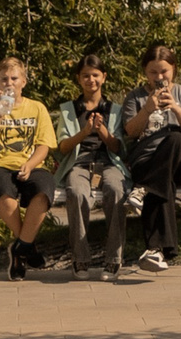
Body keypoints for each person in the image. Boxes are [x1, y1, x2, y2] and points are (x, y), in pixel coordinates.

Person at [0, 55, 57, 279]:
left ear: (23, 82)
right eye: (4, 79)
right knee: (2, 193)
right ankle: (27, 246)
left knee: (44, 190)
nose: (9, 83)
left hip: (31, 165)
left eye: (14, 78)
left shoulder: (37, 108)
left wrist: (30, 164)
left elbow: (44, 146)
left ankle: (20, 248)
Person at [117, 44, 181, 272]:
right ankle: (156, 251)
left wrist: (175, 108)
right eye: (153, 72)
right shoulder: (135, 97)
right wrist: (146, 109)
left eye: (164, 71)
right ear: (145, 72)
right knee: (161, 182)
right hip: (146, 162)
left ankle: (143, 189)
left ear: (173, 69)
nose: (159, 77)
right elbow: (131, 132)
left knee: (176, 138)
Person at [53, 54, 130, 280]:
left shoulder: (115, 110)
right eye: (85, 76)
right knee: (76, 192)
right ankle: (80, 259)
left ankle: (114, 259)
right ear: (78, 79)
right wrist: (84, 132)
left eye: (95, 75)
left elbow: (119, 149)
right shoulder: (68, 110)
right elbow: (62, 148)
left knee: (116, 190)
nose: (91, 80)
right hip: (79, 162)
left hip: (108, 162)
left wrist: (103, 132)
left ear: (103, 77)